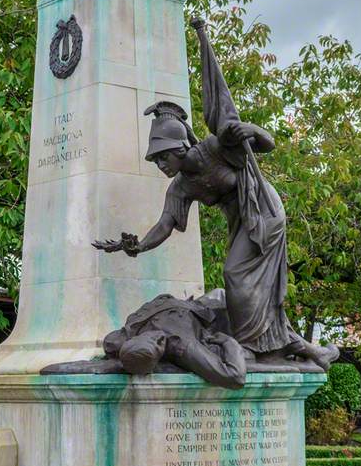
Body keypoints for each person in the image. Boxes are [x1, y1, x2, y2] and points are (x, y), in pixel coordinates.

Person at [94, 22, 338, 370]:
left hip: (263, 212)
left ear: (180, 146)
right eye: (156, 159)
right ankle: (312, 351)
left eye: (163, 156)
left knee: (236, 277)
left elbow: (267, 144)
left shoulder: (215, 147)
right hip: (242, 223)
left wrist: (251, 130)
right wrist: (135, 247)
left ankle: (252, 348)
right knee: (253, 295)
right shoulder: (181, 186)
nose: (160, 164)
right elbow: (164, 225)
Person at [102, 290, 248, 389]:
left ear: (132, 340)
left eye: (149, 337)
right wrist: (229, 342)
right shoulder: (183, 346)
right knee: (241, 296)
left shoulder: (118, 338)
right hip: (220, 314)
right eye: (159, 344)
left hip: (196, 303)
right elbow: (235, 377)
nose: (159, 336)